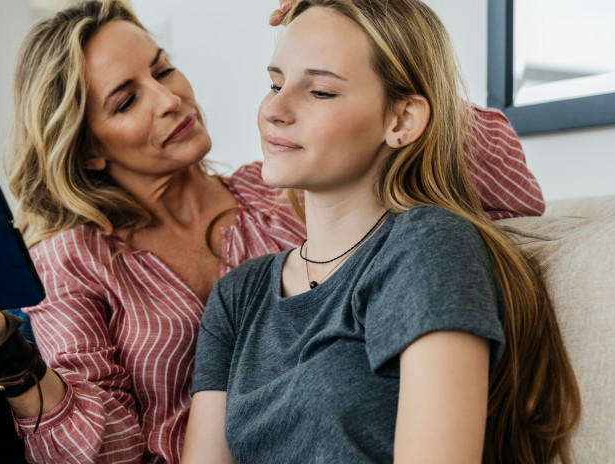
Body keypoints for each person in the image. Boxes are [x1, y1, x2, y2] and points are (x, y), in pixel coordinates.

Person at [0, 0, 549, 463]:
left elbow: (499, 191)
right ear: (90, 146)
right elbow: (110, 447)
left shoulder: (280, 190)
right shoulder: (77, 257)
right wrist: (1, 354)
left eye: (162, 68)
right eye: (128, 100)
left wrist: (367, 31)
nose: (170, 99)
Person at [182, 1, 580, 463]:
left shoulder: (427, 245)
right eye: (274, 83)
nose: (274, 108)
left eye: (321, 92)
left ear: (400, 121)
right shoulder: (238, 295)